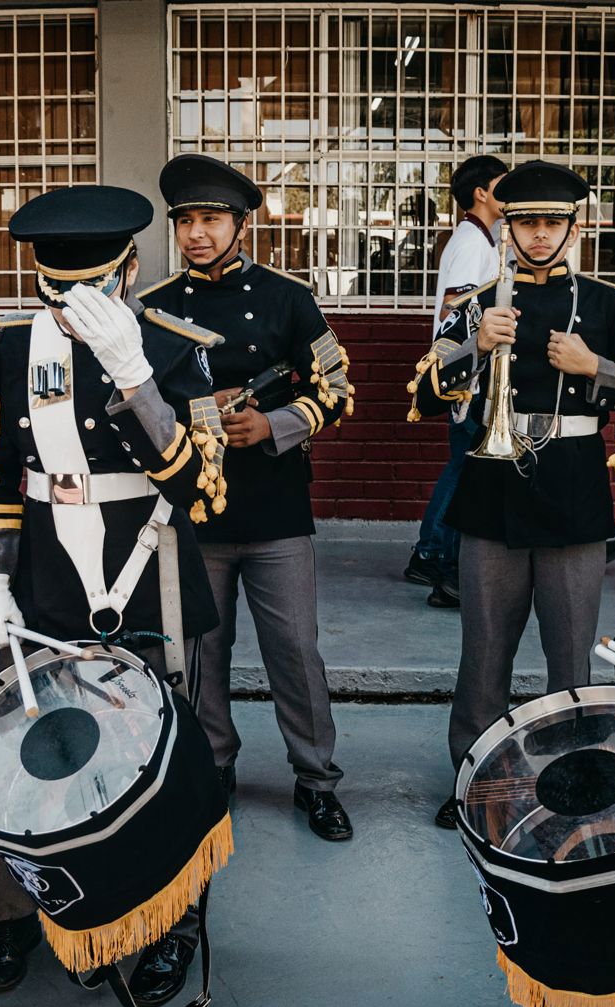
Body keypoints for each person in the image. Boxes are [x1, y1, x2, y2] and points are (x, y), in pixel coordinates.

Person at [0, 185, 228, 1007]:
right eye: (54, 295)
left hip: (151, 578)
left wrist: (137, 378)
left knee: (165, 757)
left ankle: (168, 923)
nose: (70, 312)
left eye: (89, 293)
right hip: (46, 578)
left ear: (131, 270)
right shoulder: (12, 346)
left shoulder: (178, 345)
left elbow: (204, 491)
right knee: (28, 753)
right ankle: (16, 915)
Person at [407, 160, 615, 829]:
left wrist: (594, 366)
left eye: (553, 222)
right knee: (483, 652)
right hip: (492, 491)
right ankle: (474, 778)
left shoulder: (607, 304)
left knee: (569, 653)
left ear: (574, 227)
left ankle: (573, 777)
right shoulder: (479, 299)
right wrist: (470, 349)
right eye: (527, 221)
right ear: (508, 227)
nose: (540, 234)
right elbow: (426, 393)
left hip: (574, 490)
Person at [137, 153, 353, 841]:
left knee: (295, 648)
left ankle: (316, 778)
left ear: (241, 223)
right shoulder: (155, 307)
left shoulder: (288, 298)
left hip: (276, 506)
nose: (196, 233)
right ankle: (213, 767)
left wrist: (273, 423)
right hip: (191, 513)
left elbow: (336, 389)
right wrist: (201, 409)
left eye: (211, 219)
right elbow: (135, 404)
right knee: (201, 652)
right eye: (186, 221)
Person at [406, 154, 507, 606]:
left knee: (462, 464)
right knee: (464, 464)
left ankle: (431, 551)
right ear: (482, 192)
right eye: (503, 184)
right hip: (469, 372)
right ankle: (431, 553)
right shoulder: (471, 242)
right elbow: (457, 310)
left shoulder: (484, 239)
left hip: (474, 370)